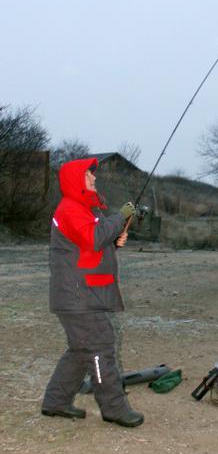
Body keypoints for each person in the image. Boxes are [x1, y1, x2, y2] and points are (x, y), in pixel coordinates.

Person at [41, 157, 144, 427]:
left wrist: (115, 241)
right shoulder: (70, 208)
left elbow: (90, 250)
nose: (94, 178)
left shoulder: (87, 210)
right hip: (77, 295)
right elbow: (95, 238)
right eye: (89, 175)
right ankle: (113, 408)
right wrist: (119, 217)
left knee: (80, 350)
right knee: (100, 346)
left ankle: (56, 402)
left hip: (83, 293)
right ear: (77, 179)